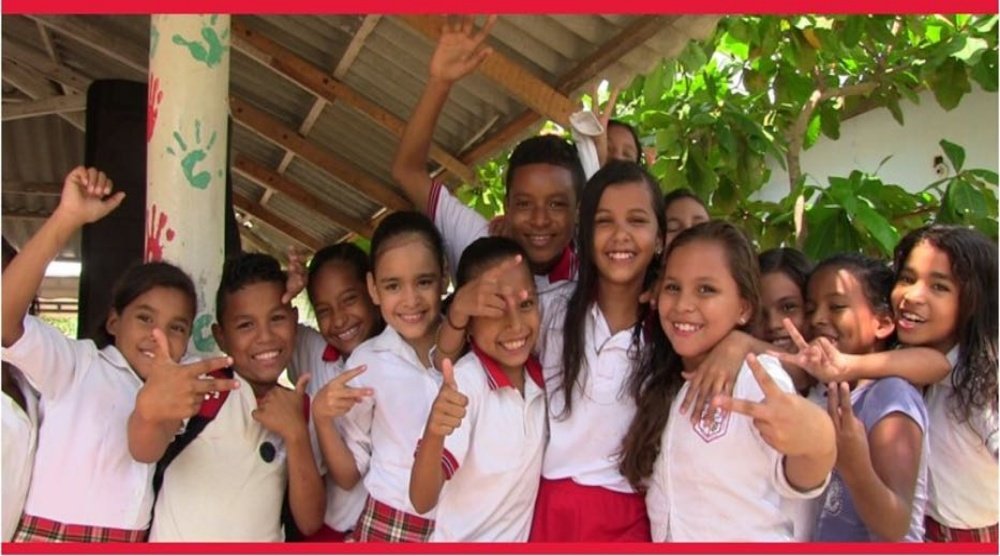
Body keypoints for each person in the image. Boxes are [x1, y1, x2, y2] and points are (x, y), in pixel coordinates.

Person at [2, 166, 231, 542]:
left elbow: (145, 450)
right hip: (50, 538)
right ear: (113, 322)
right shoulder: (75, 364)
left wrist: (155, 405)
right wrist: (67, 218)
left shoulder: (179, 382)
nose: (158, 335)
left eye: (176, 327)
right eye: (144, 318)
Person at [621, 221, 836, 541]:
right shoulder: (665, 380)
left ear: (744, 308)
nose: (683, 305)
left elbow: (802, 474)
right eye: (673, 287)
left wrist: (818, 440)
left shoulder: (756, 377)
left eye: (706, 289)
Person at [131, 253, 325, 541]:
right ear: (221, 337)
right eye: (246, 325)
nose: (265, 337)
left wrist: (296, 434)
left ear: (295, 321)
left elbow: (310, 522)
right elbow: (144, 450)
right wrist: (148, 410)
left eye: (277, 318)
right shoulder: (201, 387)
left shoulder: (300, 406)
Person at [392, 16, 584, 302]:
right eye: (524, 203)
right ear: (506, 206)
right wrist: (440, 82)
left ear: (578, 210)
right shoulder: (477, 243)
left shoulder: (593, 278)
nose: (540, 219)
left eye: (557, 204)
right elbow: (407, 171)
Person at [529, 161, 664, 541]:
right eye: (604, 222)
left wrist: (738, 345)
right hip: (547, 509)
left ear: (660, 238)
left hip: (630, 519)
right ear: (583, 235)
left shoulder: (674, 328)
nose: (620, 235)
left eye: (637, 220)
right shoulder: (551, 309)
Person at [315, 212, 448, 542]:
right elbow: (348, 475)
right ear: (373, 288)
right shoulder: (366, 363)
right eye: (393, 286)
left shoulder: (472, 345)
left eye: (424, 281)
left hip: (465, 525)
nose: (411, 300)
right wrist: (320, 418)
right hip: (390, 528)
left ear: (445, 276)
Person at [410, 237, 546, 541]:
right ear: (467, 322)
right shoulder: (467, 383)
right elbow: (422, 499)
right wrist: (435, 432)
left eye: (526, 305)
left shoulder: (542, 378)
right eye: (495, 309)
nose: (514, 324)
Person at [801, 254, 929, 541]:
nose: (817, 319)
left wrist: (853, 464)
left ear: (883, 323)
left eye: (836, 307)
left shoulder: (890, 395)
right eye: (810, 309)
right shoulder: (825, 390)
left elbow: (894, 526)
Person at [891, 225, 998, 542]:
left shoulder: (983, 379)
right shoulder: (897, 358)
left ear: (973, 301)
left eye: (939, 287)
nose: (912, 296)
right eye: (907, 279)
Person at [290, 244, 383, 541]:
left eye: (349, 300)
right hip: (323, 528)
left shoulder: (396, 362)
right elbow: (267, 326)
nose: (340, 320)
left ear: (373, 290)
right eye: (324, 311)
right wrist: (288, 288)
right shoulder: (314, 351)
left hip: (379, 532)